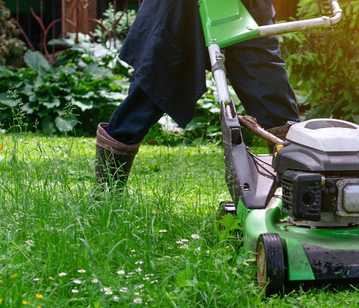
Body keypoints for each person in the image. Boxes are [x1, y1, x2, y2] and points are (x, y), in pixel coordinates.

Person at [95, 0, 300, 187]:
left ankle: (300, 183)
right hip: (185, 6)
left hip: (248, 5)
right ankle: (106, 191)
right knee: (155, 86)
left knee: (269, 86)